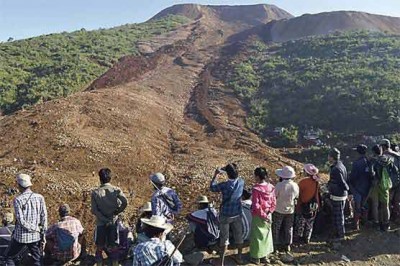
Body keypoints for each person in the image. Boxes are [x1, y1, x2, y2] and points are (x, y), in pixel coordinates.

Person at [5, 173, 48, 266]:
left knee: (9, 257)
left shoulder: (18, 200)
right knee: (37, 259)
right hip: (35, 236)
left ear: (20, 185)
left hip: (21, 237)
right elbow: (44, 216)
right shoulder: (40, 197)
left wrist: (34, 228)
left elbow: (21, 221)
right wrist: (42, 233)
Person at [91, 168, 128, 266]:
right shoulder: (115, 190)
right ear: (110, 178)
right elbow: (125, 202)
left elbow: (94, 210)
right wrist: (118, 211)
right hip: (113, 221)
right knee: (114, 245)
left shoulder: (95, 192)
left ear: (100, 178)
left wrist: (103, 219)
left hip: (101, 223)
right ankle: (115, 263)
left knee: (99, 246)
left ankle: (99, 263)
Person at [210, 163, 244, 265]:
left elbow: (212, 187)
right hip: (237, 213)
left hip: (225, 214)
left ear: (227, 174)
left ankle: (221, 262)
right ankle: (239, 257)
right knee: (239, 235)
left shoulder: (225, 185)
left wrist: (216, 175)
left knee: (224, 238)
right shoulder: (241, 182)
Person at [249, 167, 276, 265]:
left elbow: (256, 205)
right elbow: (274, 202)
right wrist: (269, 213)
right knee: (267, 236)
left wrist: (263, 215)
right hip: (269, 214)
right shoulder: (271, 187)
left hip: (259, 215)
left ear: (257, 176)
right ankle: (265, 256)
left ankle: (256, 258)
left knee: (257, 236)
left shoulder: (256, 189)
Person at [272, 166, 299, 252]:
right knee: (289, 228)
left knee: (276, 227)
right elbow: (296, 197)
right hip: (290, 210)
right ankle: (287, 245)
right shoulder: (295, 185)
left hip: (279, 209)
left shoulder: (279, 185)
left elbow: (274, 197)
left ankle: (275, 245)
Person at [294, 164, 321, 244]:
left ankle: (298, 237)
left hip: (303, 205)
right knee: (310, 223)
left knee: (300, 222)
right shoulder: (316, 182)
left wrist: (297, 207)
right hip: (313, 206)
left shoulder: (302, 182)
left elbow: (299, 196)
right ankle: (307, 238)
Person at [327, 148, 349, 241]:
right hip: (341, 194)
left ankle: (340, 235)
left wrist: (347, 188)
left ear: (332, 157)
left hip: (338, 195)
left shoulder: (335, 169)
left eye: (329, 156)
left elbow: (341, 182)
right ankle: (337, 234)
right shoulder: (341, 165)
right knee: (338, 215)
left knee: (338, 216)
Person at [349, 144, 372, 230]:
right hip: (367, 188)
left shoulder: (356, 163)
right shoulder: (369, 162)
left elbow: (353, 177)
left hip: (358, 188)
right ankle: (365, 222)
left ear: (358, 152)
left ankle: (356, 225)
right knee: (365, 205)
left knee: (357, 207)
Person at [370, 144, 392, 231]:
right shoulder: (388, 159)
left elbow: (371, 174)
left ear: (374, 152)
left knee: (375, 204)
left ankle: (376, 224)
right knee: (385, 205)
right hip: (385, 184)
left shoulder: (374, 161)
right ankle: (386, 224)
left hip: (376, 185)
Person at [380, 139, 400, 224]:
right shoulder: (397, 155)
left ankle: (387, 220)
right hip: (398, 181)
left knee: (387, 202)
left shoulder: (384, 156)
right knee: (397, 202)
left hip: (389, 183)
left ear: (383, 147)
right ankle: (396, 218)